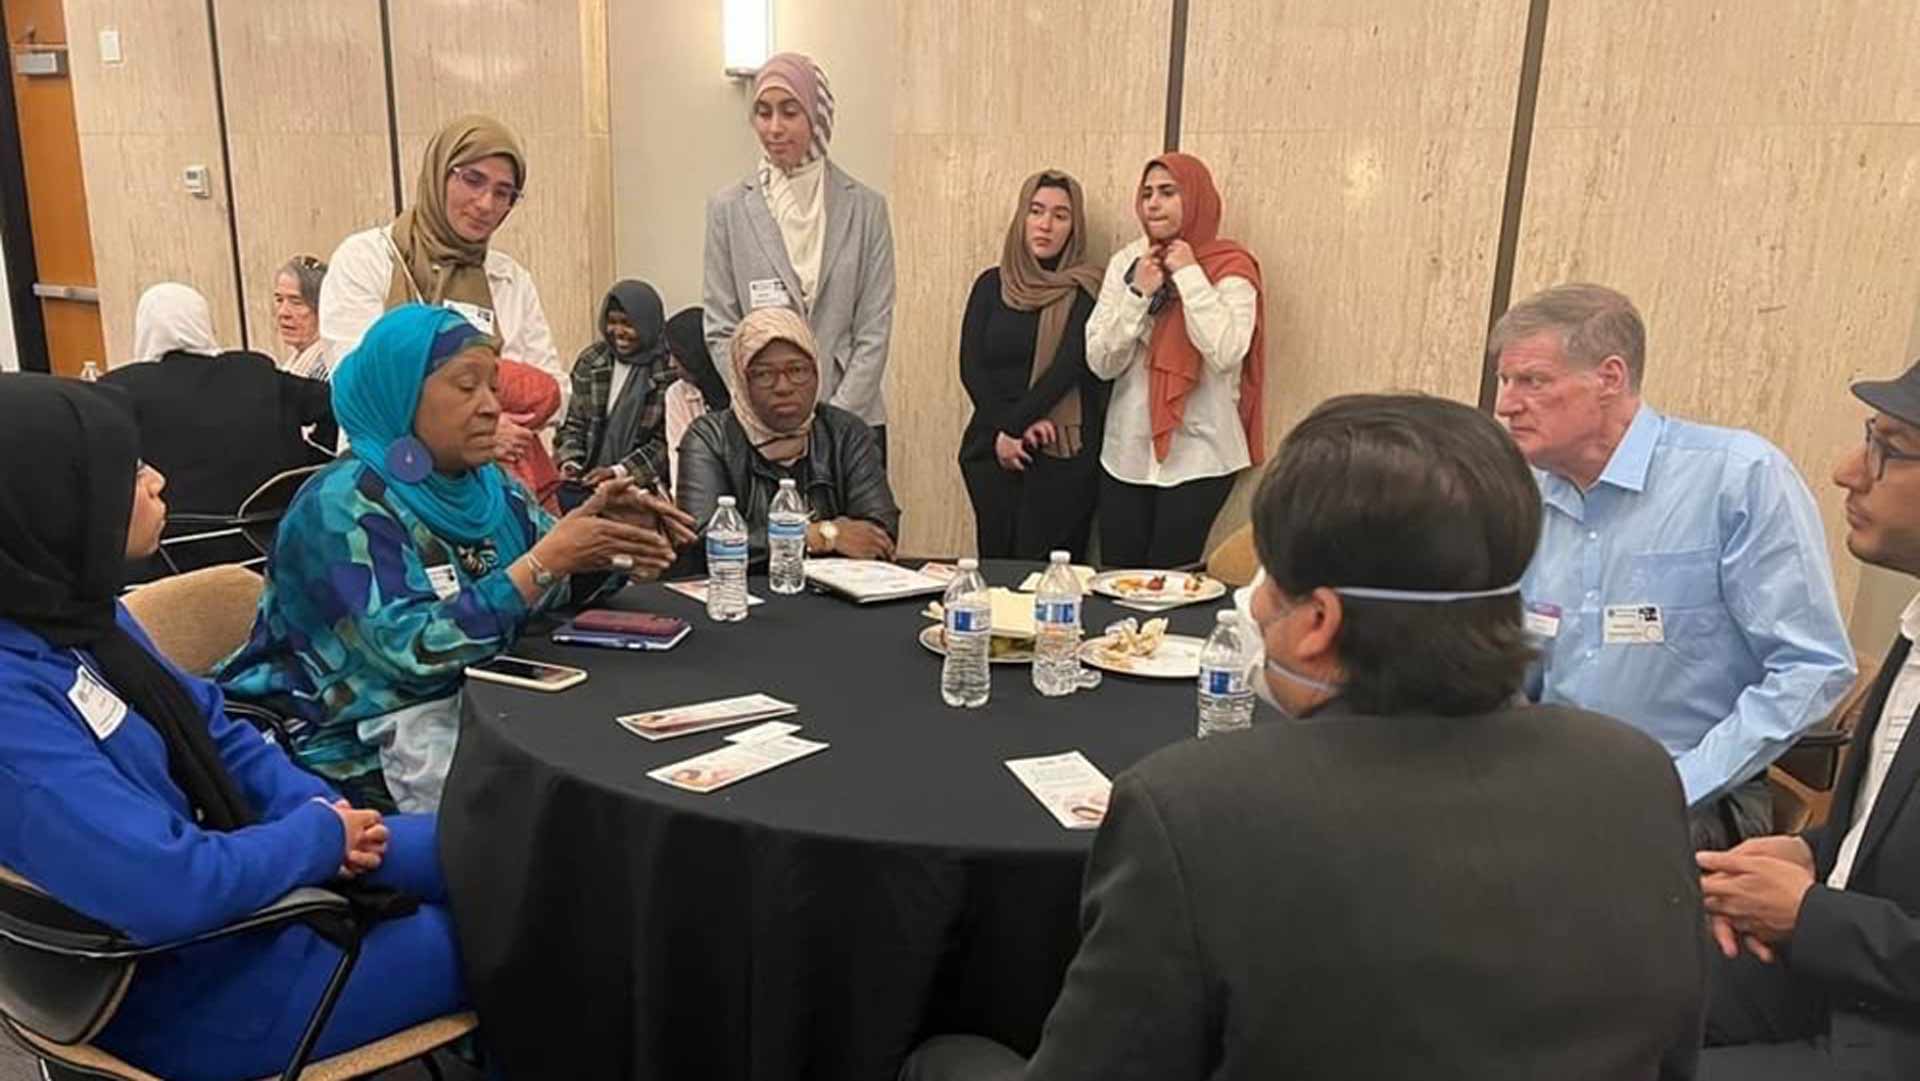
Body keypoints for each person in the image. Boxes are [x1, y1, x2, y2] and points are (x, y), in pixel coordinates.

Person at [900, 394, 1704, 1081]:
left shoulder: (1194, 811)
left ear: (1319, 622)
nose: (1250, 608)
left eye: (1267, 583)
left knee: (943, 1055)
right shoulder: (1634, 772)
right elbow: (1672, 1055)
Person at [0, 372, 465, 1081]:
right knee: (514, 928)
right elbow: (168, 885)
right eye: (126, 471)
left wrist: (316, 808)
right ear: (51, 503)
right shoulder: (14, 713)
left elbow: (213, 726)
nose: (157, 479)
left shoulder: (78, 612)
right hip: (189, 991)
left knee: (502, 853)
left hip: (241, 891)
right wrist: (310, 839)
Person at [218, 305, 693, 813]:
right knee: (573, 823)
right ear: (402, 395)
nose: (491, 406)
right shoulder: (344, 505)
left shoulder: (485, 487)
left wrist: (604, 542)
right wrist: (544, 563)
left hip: (470, 719)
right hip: (337, 759)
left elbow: (548, 579)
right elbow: (411, 653)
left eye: (494, 387)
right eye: (468, 387)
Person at [1493, 283, 1856, 849]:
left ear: (1609, 378)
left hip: (1692, 798)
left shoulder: (1736, 477)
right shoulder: (1525, 498)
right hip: (1554, 786)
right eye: (1504, 381)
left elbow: (1813, 668)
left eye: (1532, 381)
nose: (1506, 404)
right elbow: (1518, 669)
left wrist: (1672, 786)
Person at [1696, 358, 1920, 1081]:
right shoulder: (1914, 632)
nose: (1846, 469)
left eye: (1889, 446)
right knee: (1591, 984)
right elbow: (1889, 842)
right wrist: (1813, 854)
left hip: (1890, 1030)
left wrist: (1811, 915)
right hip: (1845, 980)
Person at [319, 114, 561, 468]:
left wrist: (484, 410)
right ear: (439, 172)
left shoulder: (510, 278)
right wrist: (475, 422)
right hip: (390, 474)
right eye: (473, 180)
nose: (485, 204)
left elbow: (556, 389)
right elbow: (359, 380)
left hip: (489, 484)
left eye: (503, 193)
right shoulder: (368, 258)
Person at [703, 52, 896, 456]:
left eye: (789, 112)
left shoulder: (865, 208)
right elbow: (721, 326)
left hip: (853, 422)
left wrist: (831, 422)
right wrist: (761, 407)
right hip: (760, 427)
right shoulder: (729, 208)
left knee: (855, 523)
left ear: (817, 115)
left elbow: (873, 330)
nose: (774, 128)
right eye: (764, 112)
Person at [1084, 152, 1264, 568]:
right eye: (1146, 193)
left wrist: (1188, 274)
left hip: (1201, 454)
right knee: (1117, 579)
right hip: (1126, 452)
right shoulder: (1128, 263)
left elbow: (1225, 351)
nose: (1153, 203)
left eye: (1168, 192)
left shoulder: (1230, 267)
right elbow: (1100, 361)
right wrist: (1138, 294)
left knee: (1173, 583)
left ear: (1196, 197)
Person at [958, 169, 1106, 560]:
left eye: (1061, 215)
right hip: (992, 447)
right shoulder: (991, 285)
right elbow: (971, 368)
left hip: (1061, 453)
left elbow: (1068, 367)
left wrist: (1017, 425)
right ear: (1021, 217)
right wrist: (1007, 428)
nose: (1046, 225)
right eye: (1036, 211)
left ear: (1074, 227)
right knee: (994, 573)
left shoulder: (1085, 289)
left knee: (1049, 581)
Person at [676, 306, 898, 567]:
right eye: (763, 374)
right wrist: (818, 536)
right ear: (740, 380)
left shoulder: (847, 433)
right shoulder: (709, 438)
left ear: (816, 373)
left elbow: (878, 533)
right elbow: (701, 538)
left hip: (832, 596)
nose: (783, 387)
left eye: (797, 370)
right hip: (739, 593)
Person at [102, 282, 332, 517]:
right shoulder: (254, 371)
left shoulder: (119, 389)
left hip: (176, 542)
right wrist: (308, 463)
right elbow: (336, 404)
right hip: (268, 534)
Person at [554, 280, 677, 498]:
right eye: (612, 322)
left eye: (628, 324)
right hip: (587, 483)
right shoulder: (592, 360)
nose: (618, 332)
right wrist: (571, 462)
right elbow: (573, 423)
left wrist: (618, 472)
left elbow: (664, 443)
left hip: (644, 487)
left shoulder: (669, 368)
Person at [663, 305, 728, 498]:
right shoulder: (677, 394)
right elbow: (680, 459)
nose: (671, 364)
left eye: (678, 355)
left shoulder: (740, 389)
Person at [273, 253, 330, 380]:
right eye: (279, 300)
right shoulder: (291, 364)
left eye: (296, 302)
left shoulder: (329, 369)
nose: (283, 313)